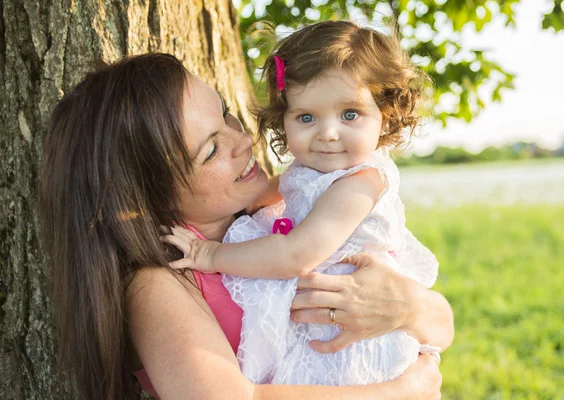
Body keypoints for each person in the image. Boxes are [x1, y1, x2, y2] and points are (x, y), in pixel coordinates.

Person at [39, 52, 453, 400]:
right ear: (143, 196)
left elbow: (441, 325)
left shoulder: (277, 216)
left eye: (224, 114)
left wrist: (410, 307)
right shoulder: (160, 285)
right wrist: (398, 391)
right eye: (212, 149)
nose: (242, 141)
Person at [163, 20, 441, 386]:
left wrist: (209, 254)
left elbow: (296, 256)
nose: (327, 133)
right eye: (306, 117)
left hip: (348, 334)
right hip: (322, 313)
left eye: (350, 114)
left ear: (384, 115)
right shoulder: (312, 170)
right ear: (285, 121)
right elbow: (283, 189)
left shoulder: (359, 183)